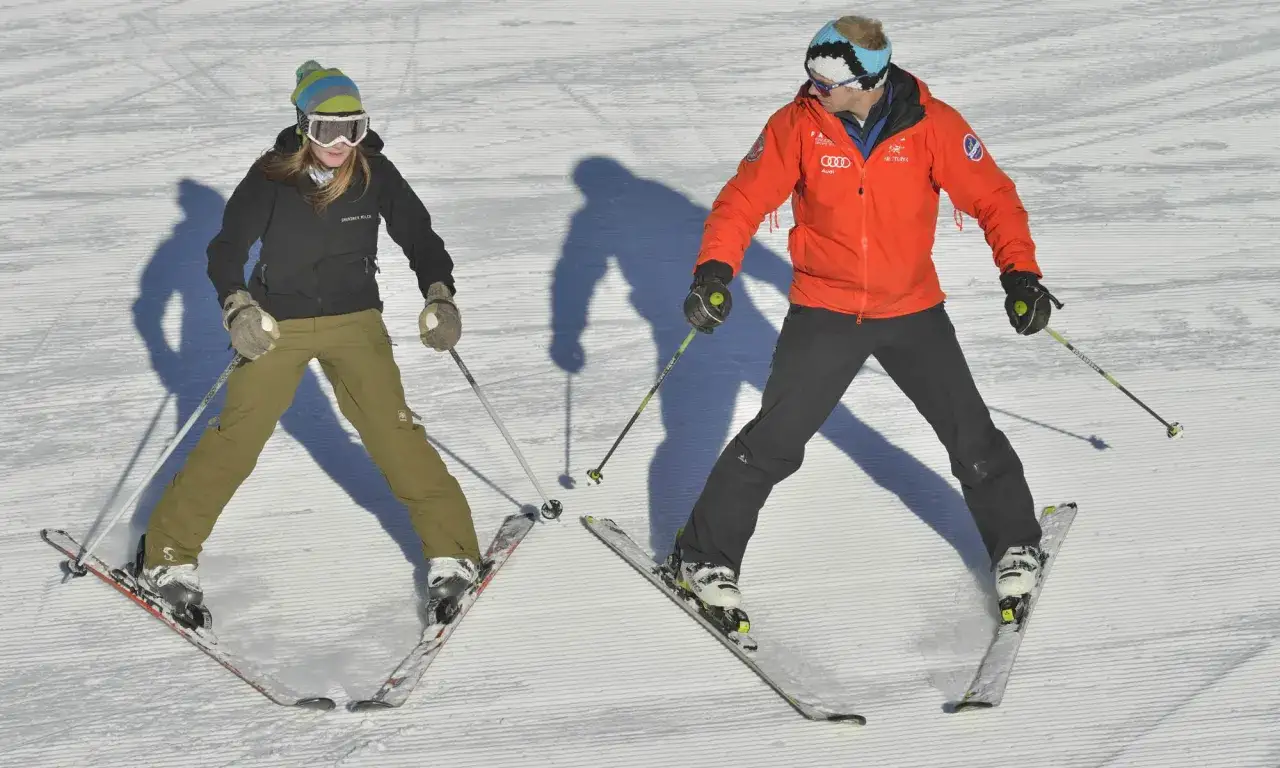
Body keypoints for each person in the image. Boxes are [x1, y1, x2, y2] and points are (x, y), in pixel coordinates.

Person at [673, 16, 1062, 616]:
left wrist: (1020, 274)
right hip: (825, 310)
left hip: (911, 308)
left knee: (970, 435)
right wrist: (714, 272)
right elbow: (742, 200)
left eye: (826, 80)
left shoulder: (932, 124)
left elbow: (993, 197)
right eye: (810, 74)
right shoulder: (797, 124)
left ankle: (1015, 545)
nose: (813, 87)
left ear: (868, 81)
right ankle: (702, 556)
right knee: (773, 442)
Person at [138, 61, 483, 618]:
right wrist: (238, 307)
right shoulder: (271, 178)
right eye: (327, 129)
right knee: (236, 438)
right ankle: (167, 555)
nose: (341, 143)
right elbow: (225, 251)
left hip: (355, 321)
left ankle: (454, 553)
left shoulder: (375, 172)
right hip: (278, 324)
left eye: (354, 128)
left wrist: (439, 293)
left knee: (394, 432)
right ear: (304, 126)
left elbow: (420, 237)